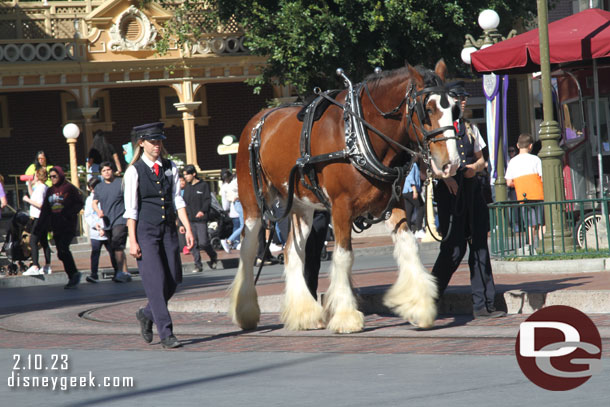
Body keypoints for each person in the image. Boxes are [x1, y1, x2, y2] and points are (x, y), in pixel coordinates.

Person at [430, 81, 505, 319]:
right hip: (450, 191)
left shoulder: (471, 128)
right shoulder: (439, 129)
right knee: (453, 248)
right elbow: (428, 162)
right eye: (457, 97)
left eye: (464, 98)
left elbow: (482, 159)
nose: (462, 101)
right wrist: (444, 179)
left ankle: (484, 305)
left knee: (480, 245)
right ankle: (426, 301)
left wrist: (475, 167)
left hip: (472, 188)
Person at [124, 122, 194, 349]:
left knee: (173, 279)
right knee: (155, 283)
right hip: (145, 230)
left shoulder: (170, 167)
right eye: (153, 142)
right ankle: (166, 333)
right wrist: (132, 240)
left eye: (160, 141)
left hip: (168, 230)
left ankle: (146, 314)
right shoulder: (134, 171)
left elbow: (177, 199)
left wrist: (188, 227)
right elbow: (131, 210)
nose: (157, 146)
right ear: (141, 143)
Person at [34, 166, 84, 289]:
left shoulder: (69, 188)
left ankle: (73, 275)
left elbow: (79, 203)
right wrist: (39, 226)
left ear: (60, 175)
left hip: (68, 225)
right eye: (50, 177)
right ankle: (73, 275)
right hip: (56, 226)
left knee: (63, 248)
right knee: (61, 253)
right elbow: (45, 210)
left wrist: (69, 213)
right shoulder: (50, 191)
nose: (52, 178)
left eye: (54, 176)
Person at [91, 162, 131, 283]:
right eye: (104, 171)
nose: (107, 172)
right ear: (101, 173)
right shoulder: (99, 187)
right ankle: (121, 272)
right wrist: (98, 211)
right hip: (107, 221)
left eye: (108, 170)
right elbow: (94, 202)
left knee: (117, 243)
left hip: (121, 219)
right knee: (113, 247)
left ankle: (121, 272)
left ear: (112, 171)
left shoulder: (121, 183)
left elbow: (130, 199)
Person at [505, 133, 544, 249]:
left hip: (523, 195)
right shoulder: (536, 159)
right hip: (538, 194)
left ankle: (530, 247)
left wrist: (517, 183)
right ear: (530, 146)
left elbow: (508, 182)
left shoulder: (512, 162)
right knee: (541, 223)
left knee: (529, 224)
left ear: (517, 145)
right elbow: (542, 177)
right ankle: (543, 247)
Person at [182, 164, 218, 272]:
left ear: (193, 174)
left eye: (187, 174)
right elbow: (183, 204)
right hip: (189, 220)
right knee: (193, 244)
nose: (185, 177)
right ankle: (198, 264)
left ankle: (213, 256)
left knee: (203, 242)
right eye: (184, 175)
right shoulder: (187, 188)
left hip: (201, 219)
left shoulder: (203, 185)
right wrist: (181, 223)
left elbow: (207, 200)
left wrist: (202, 211)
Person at [84, 177, 118, 282]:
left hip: (107, 228)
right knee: (95, 252)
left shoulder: (105, 196)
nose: (94, 190)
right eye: (92, 188)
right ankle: (94, 273)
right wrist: (96, 226)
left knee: (112, 252)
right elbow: (88, 215)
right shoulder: (89, 200)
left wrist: (104, 227)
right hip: (95, 231)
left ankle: (118, 271)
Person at [22, 168, 52, 275]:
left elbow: (39, 204)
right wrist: (29, 185)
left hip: (38, 218)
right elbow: (34, 196)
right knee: (44, 242)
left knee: (33, 241)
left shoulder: (40, 189)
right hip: (42, 218)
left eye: (34, 176)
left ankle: (35, 266)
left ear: (38, 176)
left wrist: (27, 200)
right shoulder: (41, 187)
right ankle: (47, 266)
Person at [219, 169, 243, 253]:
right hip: (236, 206)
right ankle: (232, 241)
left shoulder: (224, 186)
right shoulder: (232, 183)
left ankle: (234, 242)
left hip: (233, 209)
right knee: (241, 226)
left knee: (237, 226)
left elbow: (224, 202)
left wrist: (226, 209)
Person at [402, 161, 425, 239]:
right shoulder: (412, 164)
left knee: (409, 211)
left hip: (405, 191)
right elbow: (410, 177)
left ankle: (408, 231)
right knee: (422, 207)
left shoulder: (407, 164)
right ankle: (419, 229)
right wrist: (414, 190)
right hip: (411, 190)